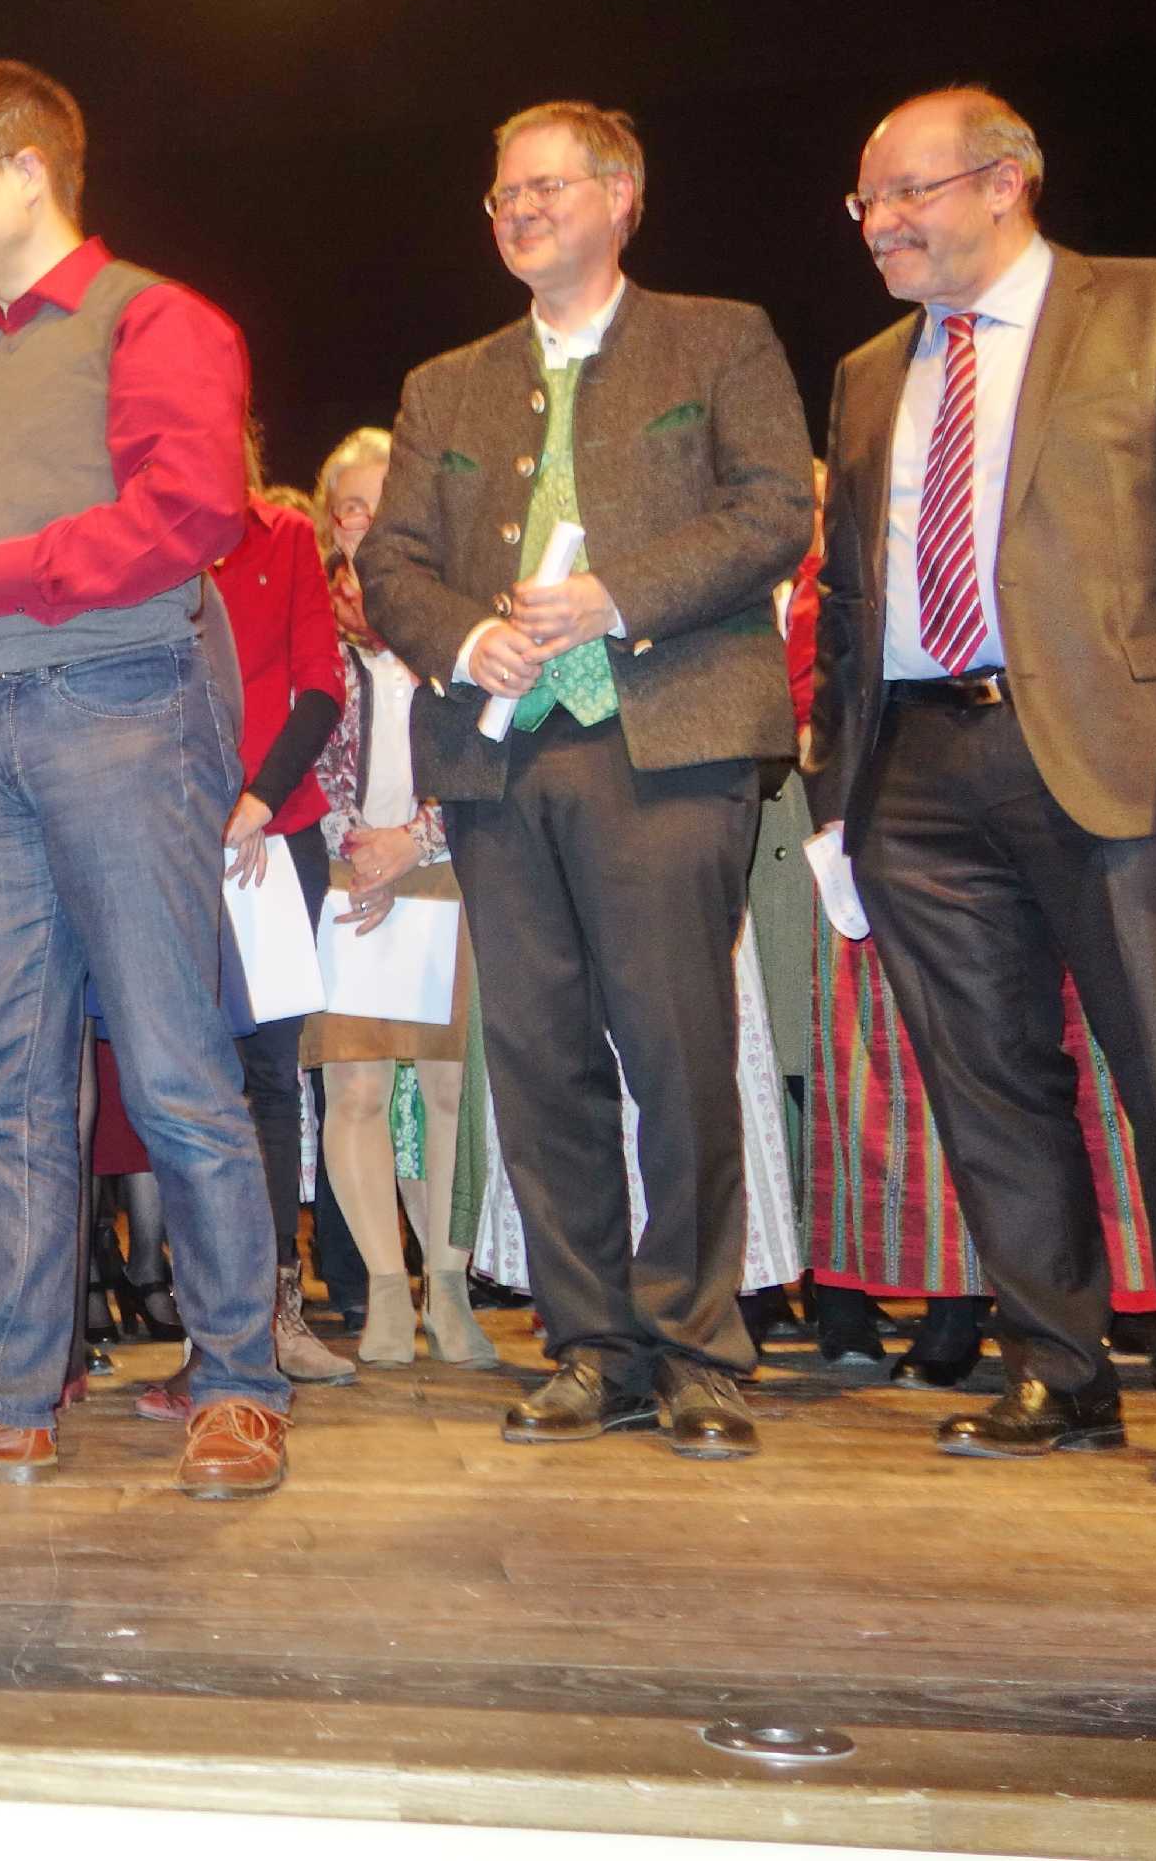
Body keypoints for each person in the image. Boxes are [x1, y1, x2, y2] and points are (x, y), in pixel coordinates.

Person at [0, 59, 292, 1501]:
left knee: (170, 1061)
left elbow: (190, 511)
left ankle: (239, 1379)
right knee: (3, 1078)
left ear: (27, 169)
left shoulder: (152, 319)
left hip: (128, 706)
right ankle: (3, 1392)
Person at [355, 99, 812, 1461]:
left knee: (673, 1047)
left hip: (665, 737)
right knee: (539, 1057)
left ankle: (696, 1347)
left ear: (622, 195)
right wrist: (464, 639)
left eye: (546, 186)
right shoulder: (445, 383)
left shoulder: (718, 337)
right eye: (503, 194)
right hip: (500, 758)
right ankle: (590, 1345)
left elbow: (773, 509)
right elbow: (390, 563)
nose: (519, 211)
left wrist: (616, 596)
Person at [804, 86, 1156, 1487]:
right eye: (865, 201)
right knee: (989, 1087)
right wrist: (835, 798)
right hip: (918, 769)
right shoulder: (867, 371)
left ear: (1004, 181)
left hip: (1118, 754)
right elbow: (847, 603)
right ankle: (1058, 1369)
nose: (880, 224)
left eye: (906, 193)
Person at [306, 428, 501, 1371]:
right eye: (354, 506)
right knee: (357, 1085)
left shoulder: (457, 614)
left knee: (450, 1084)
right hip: (346, 867)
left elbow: (490, 737)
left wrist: (413, 842)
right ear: (333, 524)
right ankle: (387, 1287)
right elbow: (298, 743)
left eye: (387, 503)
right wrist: (362, 850)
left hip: (446, 861)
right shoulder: (312, 620)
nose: (370, 521)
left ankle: (449, 1286)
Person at [207, 421, 352, 1381]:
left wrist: (258, 800)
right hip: (168, 834)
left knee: (268, 1075)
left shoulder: (285, 537)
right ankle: (210, 1319)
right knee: (185, 1076)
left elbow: (321, 687)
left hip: (274, 829)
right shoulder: (146, 541)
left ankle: (274, 1312)